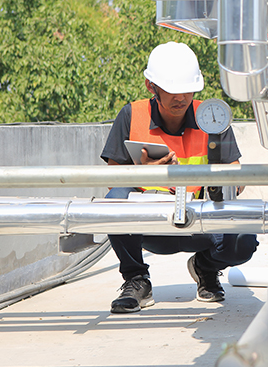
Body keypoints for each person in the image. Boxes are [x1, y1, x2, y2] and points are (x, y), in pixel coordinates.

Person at [100, 41, 258, 313]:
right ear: (151, 87)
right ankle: (136, 279)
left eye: (187, 89)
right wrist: (144, 172)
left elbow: (237, 175)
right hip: (149, 224)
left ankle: (205, 268)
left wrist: (222, 181)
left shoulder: (211, 117)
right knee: (114, 200)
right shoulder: (132, 115)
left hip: (199, 221)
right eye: (172, 91)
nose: (181, 98)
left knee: (244, 239)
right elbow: (113, 179)